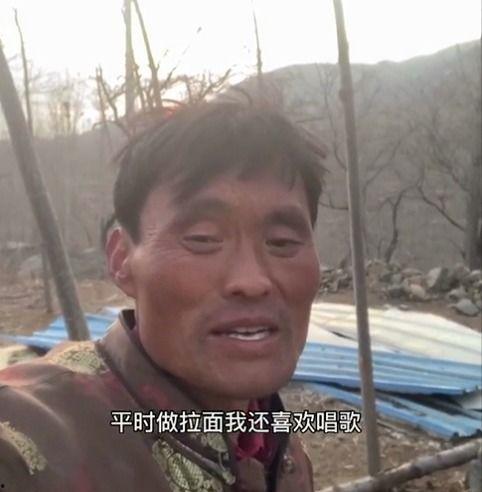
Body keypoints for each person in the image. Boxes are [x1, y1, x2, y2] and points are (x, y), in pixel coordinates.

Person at [0, 101, 326, 491]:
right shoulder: (31, 441)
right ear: (122, 259)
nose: (253, 281)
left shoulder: (276, 443)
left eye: (283, 242)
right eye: (203, 239)